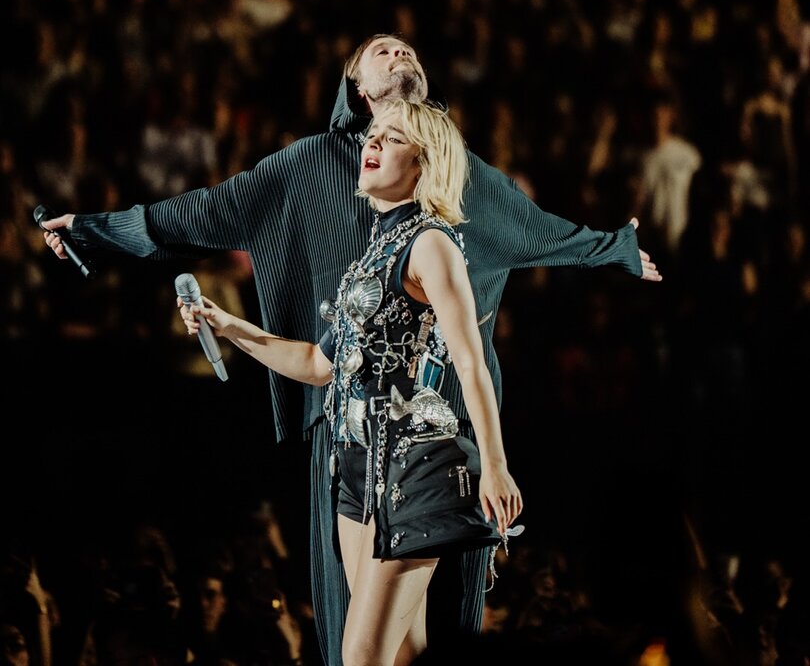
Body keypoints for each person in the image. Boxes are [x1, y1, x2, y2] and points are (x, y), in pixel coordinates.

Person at [42, 33, 661, 665]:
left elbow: (530, 252)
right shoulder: (335, 199)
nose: (400, 53)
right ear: (356, 89)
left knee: (383, 651)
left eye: (408, 50)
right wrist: (208, 311)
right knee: (391, 649)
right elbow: (312, 352)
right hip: (353, 452)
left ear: (425, 156)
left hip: (429, 452)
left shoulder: (443, 216)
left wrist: (614, 249)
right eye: (381, 50)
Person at [177, 100, 523, 665]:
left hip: (413, 469)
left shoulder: (431, 244)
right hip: (357, 471)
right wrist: (228, 325)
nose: (373, 143)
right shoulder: (373, 252)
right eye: (373, 135)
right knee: (404, 652)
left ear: (424, 164)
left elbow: (469, 359)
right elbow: (320, 364)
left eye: (393, 138)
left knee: (360, 657)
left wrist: (496, 464)